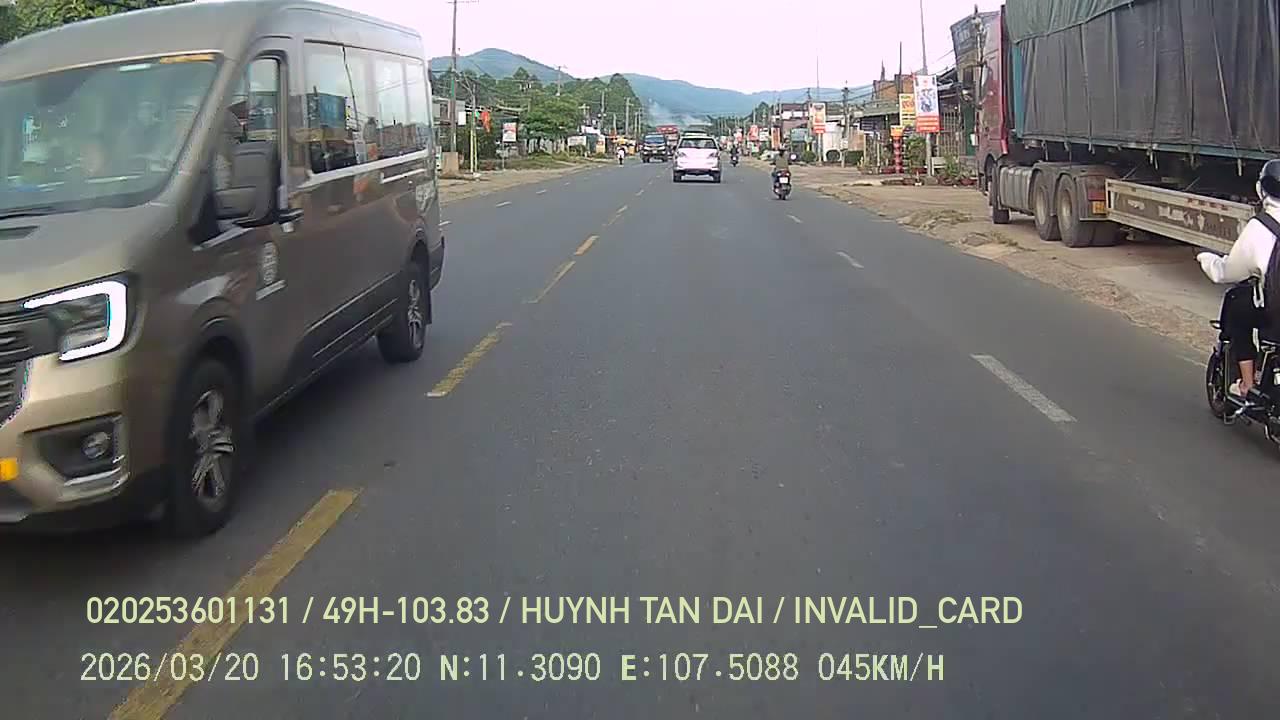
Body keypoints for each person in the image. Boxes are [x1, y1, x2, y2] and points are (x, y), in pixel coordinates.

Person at [1198, 159, 1280, 400]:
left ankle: (1246, 383)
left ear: (1261, 189)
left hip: (1275, 316)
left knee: (1237, 308)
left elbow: (1227, 272)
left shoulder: (1261, 227)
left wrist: (1207, 259)